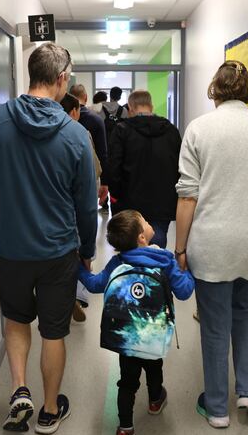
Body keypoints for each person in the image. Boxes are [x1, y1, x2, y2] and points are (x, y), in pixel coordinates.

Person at [0, 43, 97, 435]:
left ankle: (20, 390)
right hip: (59, 252)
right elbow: (86, 206)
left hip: (12, 249)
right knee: (54, 332)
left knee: (17, 320)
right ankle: (50, 410)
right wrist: (87, 251)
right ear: (60, 80)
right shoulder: (76, 135)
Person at [174, 60, 248, 429]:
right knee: (247, 316)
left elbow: (187, 197)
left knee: (214, 325)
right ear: (247, 92)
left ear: (214, 90)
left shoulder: (199, 129)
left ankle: (216, 407)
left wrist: (180, 248)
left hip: (212, 246)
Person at [78, 209, 194, 435]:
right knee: (154, 367)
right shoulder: (164, 260)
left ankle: (124, 429)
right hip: (154, 334)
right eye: (147, 221)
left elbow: (94, 285)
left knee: (127, 382)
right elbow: (184, 292)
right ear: (143, 237)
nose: (150, 223)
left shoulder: (117, 262)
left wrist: (77, 266)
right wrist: (189, 270)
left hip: (125, 338)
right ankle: (155, 400)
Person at [107, 90, 181, 248]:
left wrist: (116, 197)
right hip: (163, 202)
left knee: (131, 248)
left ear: (131, 108)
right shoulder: (171, 131)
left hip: (130, 203)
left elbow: (114, 169)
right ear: (151, 106)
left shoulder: (121, 130)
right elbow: (179, 168)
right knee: (157, 244)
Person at [59, 92, 102, 323]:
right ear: (74, 111)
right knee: (78, 249)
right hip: (78, 204)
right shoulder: (81, 134)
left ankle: (66, 296)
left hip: (56, 211)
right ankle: (78, 293)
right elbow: (93, 171)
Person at [68, 84, 109, 207]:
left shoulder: (63, 117)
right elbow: (102, 153)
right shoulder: (96, 120)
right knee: (87, 211)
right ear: (85, 97)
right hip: (91, 174)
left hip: (68, 173)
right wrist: (105, 182)